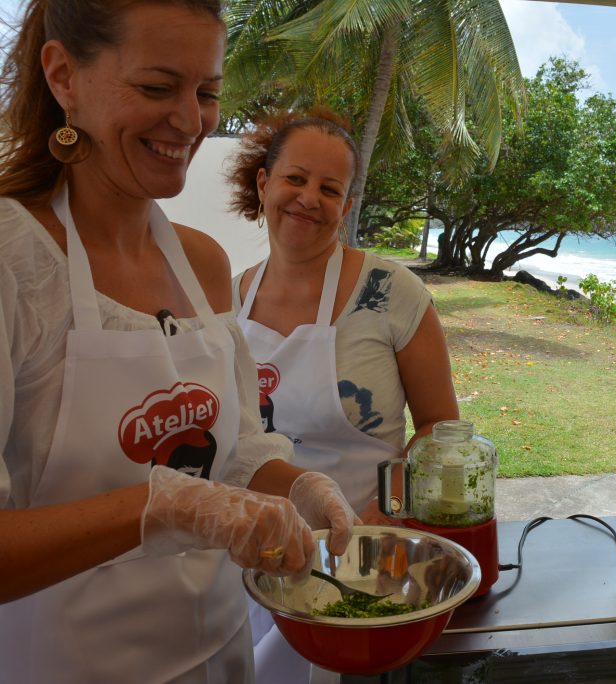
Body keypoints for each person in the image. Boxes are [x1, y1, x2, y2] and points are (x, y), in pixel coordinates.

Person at [0, 3, 358, 682]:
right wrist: (161, 505)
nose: (192, 122)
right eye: (158, 88)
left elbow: (237, 451)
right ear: (64, 74)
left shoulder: (203, 264)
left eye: (208, 92)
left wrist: (301, 487)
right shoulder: (13, 262)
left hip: (218, 655)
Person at [224, 108, 458, 680]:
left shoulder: (393, 293)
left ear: (347, 206)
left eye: (330, 189)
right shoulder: (229, 298)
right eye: (295, 179)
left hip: (362, 555)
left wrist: (385, 517)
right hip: (252, 553)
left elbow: (438, 428)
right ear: (264, 183)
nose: (309, 198)